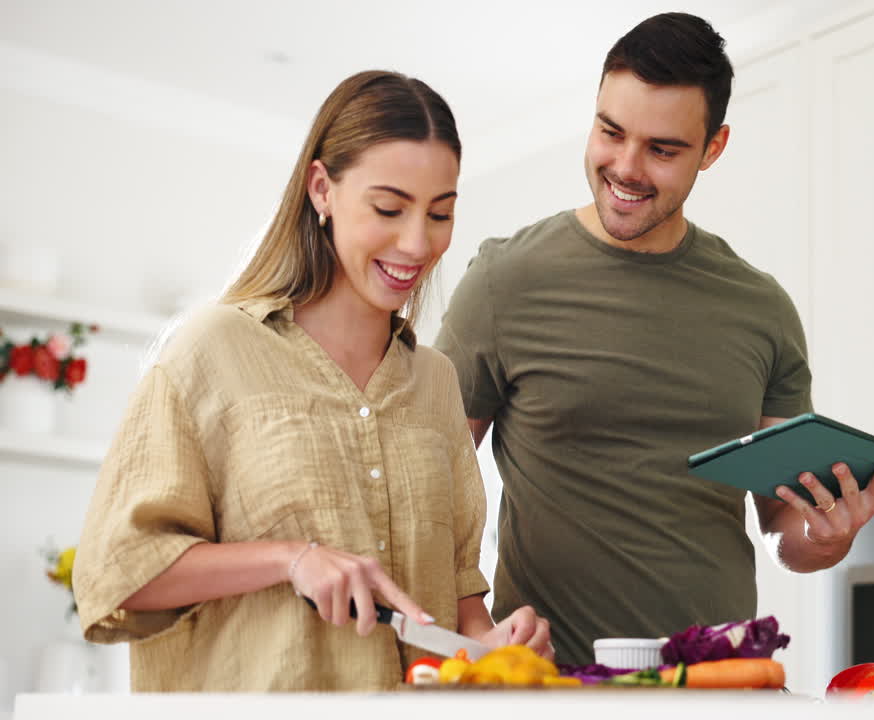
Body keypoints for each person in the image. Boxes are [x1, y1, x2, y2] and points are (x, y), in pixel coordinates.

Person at [434, 13, 874, 666]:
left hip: (721, 686)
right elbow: (429, 487)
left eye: (663, 149)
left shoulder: (762, 309)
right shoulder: (505, 280)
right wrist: (471, 628)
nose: (625, 166)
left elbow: (783, 529)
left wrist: (827, 537)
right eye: (609, 131)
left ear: (714, 147)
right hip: (553, 686)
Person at [72, 70, 551, 692]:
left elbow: (458, 604)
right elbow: (116, 573)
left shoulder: (434, 381)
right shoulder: (212, 351)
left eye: (440, 213)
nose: (416, 242)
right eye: (388, 207)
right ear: (322, 189)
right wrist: (289, 560)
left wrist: (494, 646)